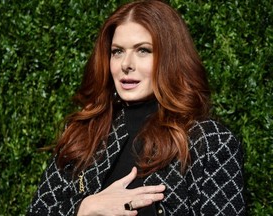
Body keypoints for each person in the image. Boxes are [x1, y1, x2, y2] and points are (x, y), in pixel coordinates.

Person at [27, 0, 245, 215]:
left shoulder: (209, 141)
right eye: (117, 51)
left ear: (171, 58)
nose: (125, 64)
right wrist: (85, 208)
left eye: (143, 50)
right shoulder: (84, 133)